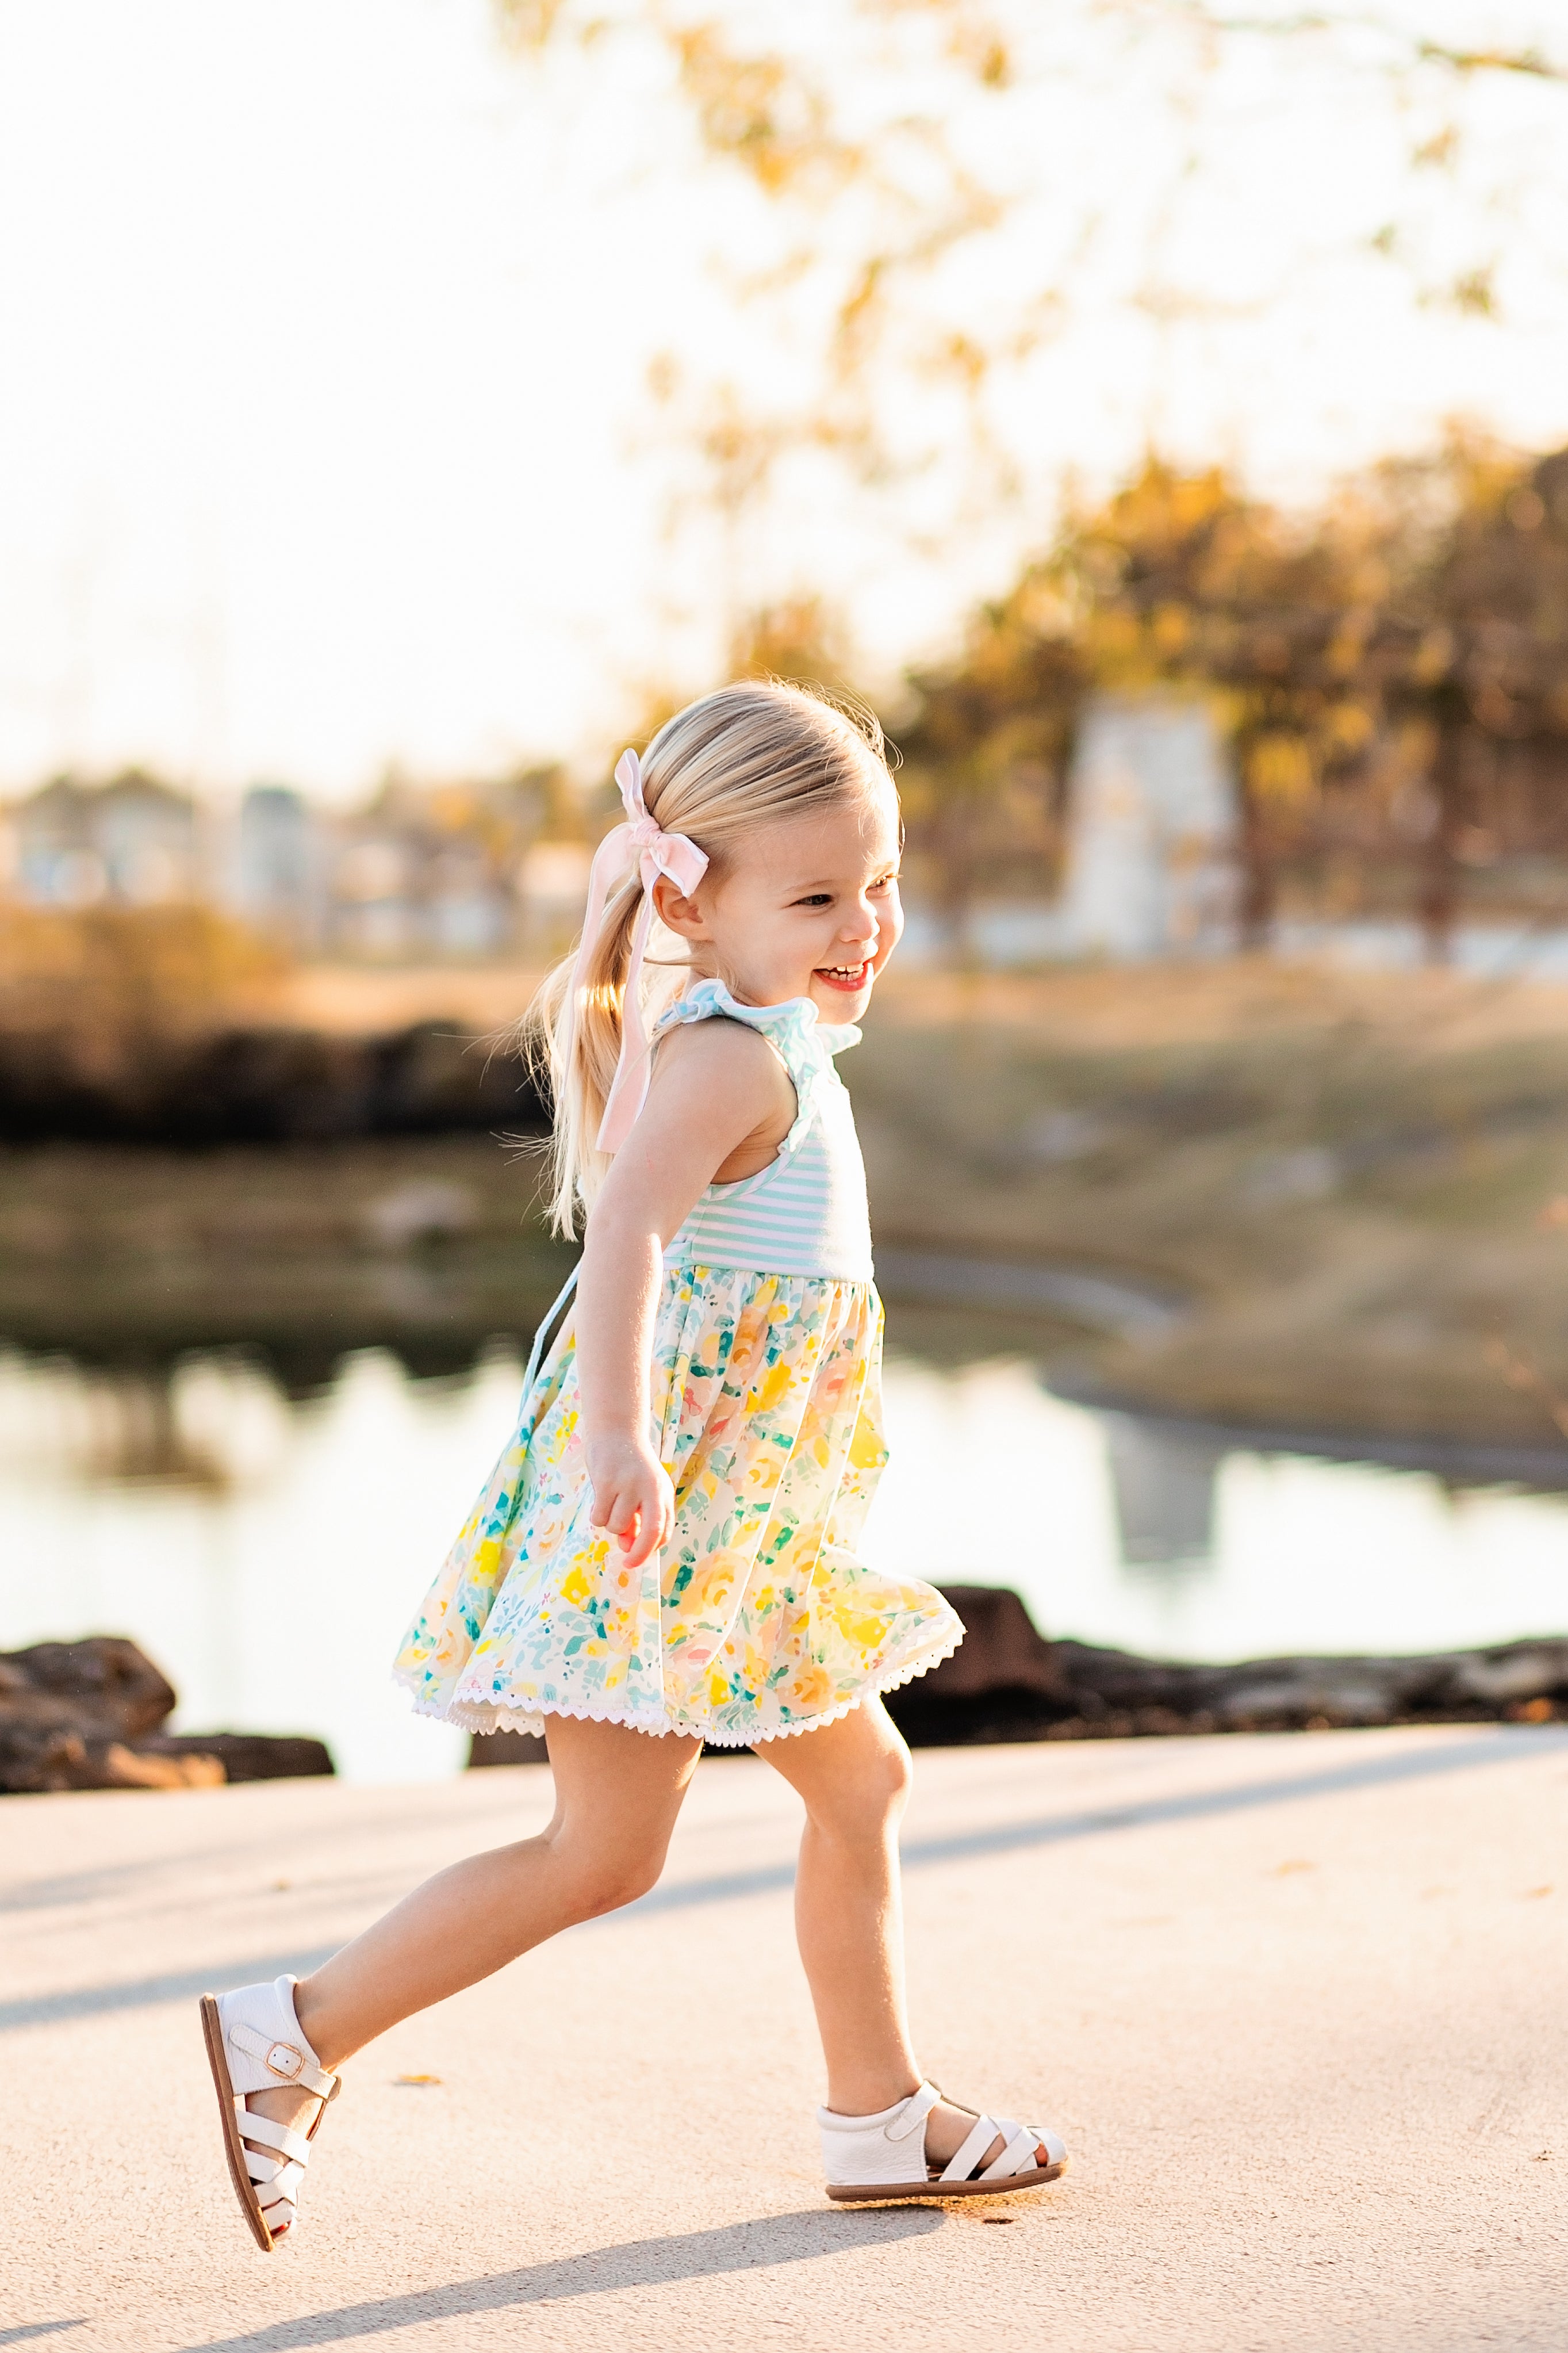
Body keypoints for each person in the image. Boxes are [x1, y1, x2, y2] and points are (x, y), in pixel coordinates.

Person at [200, 680, 1068, 2252]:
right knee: (603, 1850)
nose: (864, 920)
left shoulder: (779, 1038)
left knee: (861, 1780)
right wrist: (622, 1439)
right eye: (816, 895)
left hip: (758, 1530)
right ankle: (292, 2033)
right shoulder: (734, 1060)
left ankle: (877, 2114)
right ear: (696, 892)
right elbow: (629, 1243)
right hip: (669, 1512)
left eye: (876, 881)